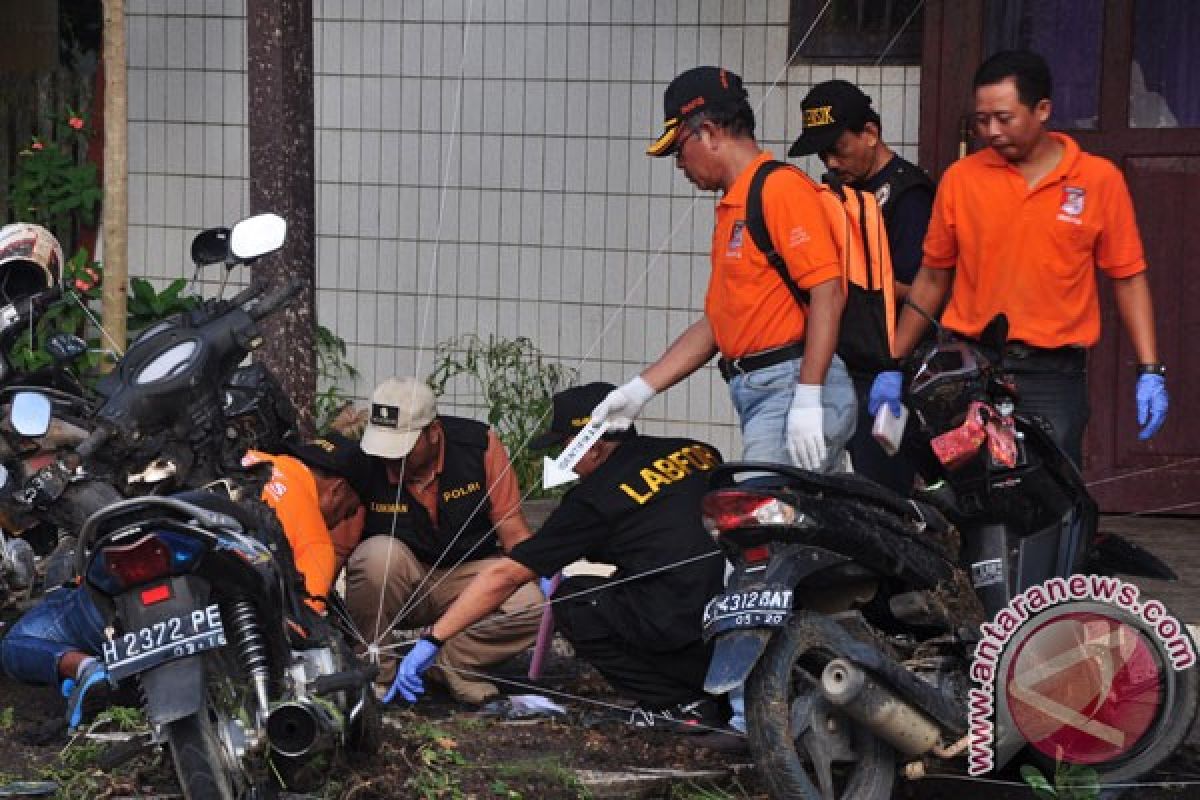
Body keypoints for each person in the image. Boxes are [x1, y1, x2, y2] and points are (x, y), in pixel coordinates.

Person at [869, 50, 1169, 467]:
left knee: (1047, 499)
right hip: (971, 370)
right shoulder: (962, 179)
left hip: (1053, 374)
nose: (991, 130)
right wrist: (893, 363)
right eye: (981, 120)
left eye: (1004, 118)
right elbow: (933, 277)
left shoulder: (1098, 180)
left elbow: (1129, 278)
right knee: (972, 499)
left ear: (1042, 109)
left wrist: (1150, 369)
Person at [384, 384, 733, 737]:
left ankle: (676, 704)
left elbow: (507, 575)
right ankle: (721, 695)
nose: (563, 462)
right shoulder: (698, 452)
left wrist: (433, 639)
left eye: (565, 449)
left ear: (593, 448)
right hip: (733, 621)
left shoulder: (593, 500)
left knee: (575, 598)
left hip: (685, 633)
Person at [592, 66, 856, 474]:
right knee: (805, 523)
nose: (679, 165)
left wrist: (808, 393)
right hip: (764, 390)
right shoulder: (736, 203)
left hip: (792, 385)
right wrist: (640, 390)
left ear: (709, 133)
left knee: (759, 517)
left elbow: (828, 291)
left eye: (679, 150)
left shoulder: (779, 189)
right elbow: (719, 324)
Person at [0, 443, 350, 731]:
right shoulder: (269, 471)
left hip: (113, 602)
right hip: (200, 588)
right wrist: (306, 616)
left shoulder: (108, 467)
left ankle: (84, 668)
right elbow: (308, 556)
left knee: (16, 644)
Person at [342, 377, 542, 706]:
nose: (392, 459)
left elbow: (512, 530)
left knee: (533, 603)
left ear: (433, 433)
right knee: (375, 555)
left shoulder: (479, 447)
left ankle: (450, 665)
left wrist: (541, 572)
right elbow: (341, 542)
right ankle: (375, 676)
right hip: (402, 583)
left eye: (402, 447)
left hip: (472, 578)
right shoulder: (364, 462)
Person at [788, 79, 936, 494]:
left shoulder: (909, 194)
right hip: (842, 361)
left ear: (870, 134)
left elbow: (924, 286)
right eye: (822, 153)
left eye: (839, 148)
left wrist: (848, 280)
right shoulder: (838, 192)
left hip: (890, 369)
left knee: (887, 489)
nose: (831, 162)